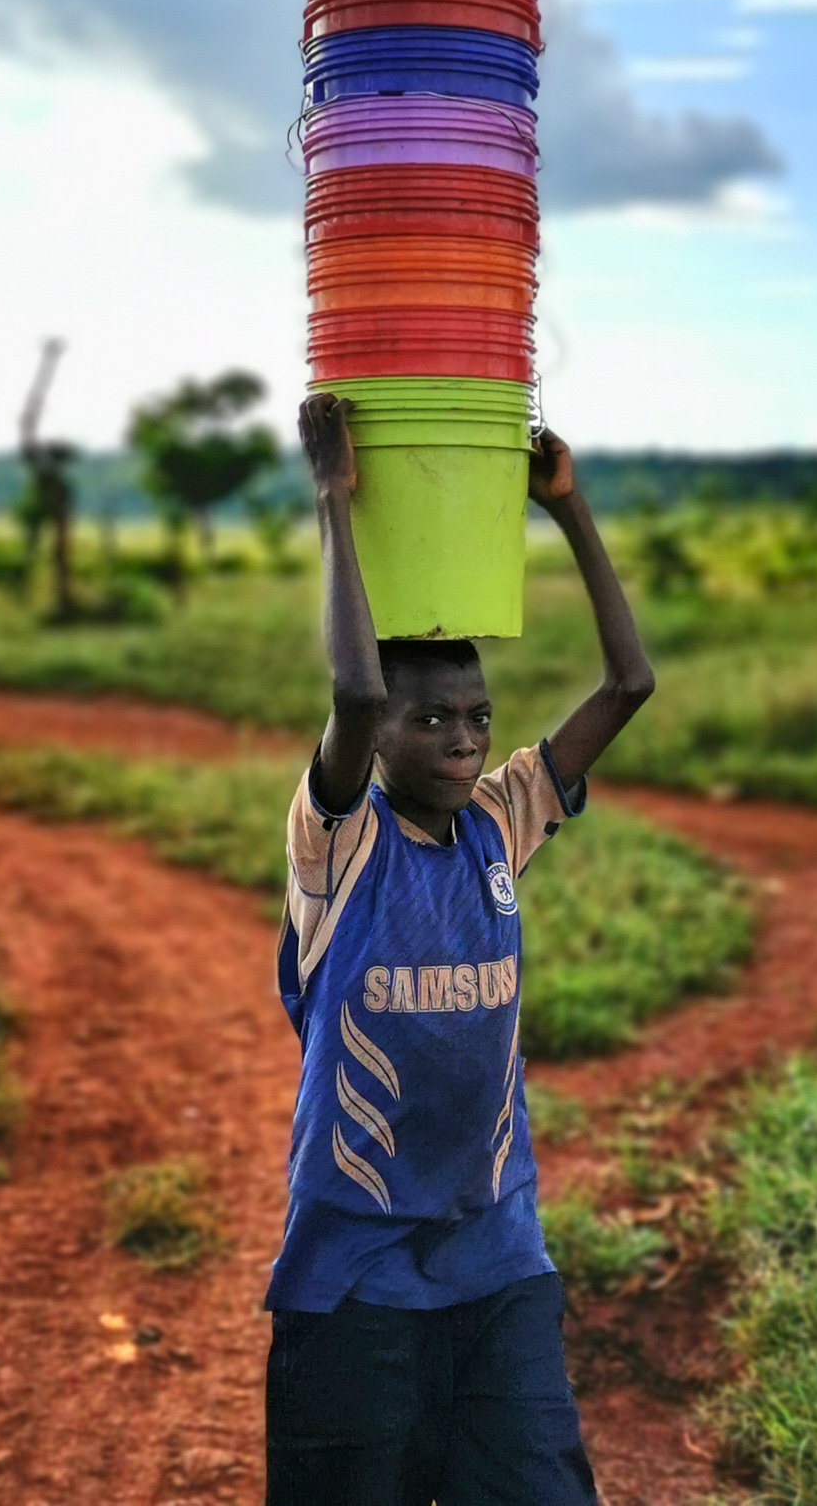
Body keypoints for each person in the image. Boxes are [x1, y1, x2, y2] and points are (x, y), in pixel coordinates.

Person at [266, 393, 656, 1506]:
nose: (463, 738)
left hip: (496, 1257)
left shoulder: (499, 820)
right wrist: (335, 498)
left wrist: (567, 509)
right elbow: (354, 687)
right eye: (429, 720)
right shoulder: (338, 845)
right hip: (356, 1273)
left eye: (476, 717)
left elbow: (629, 685)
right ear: (379, 736)